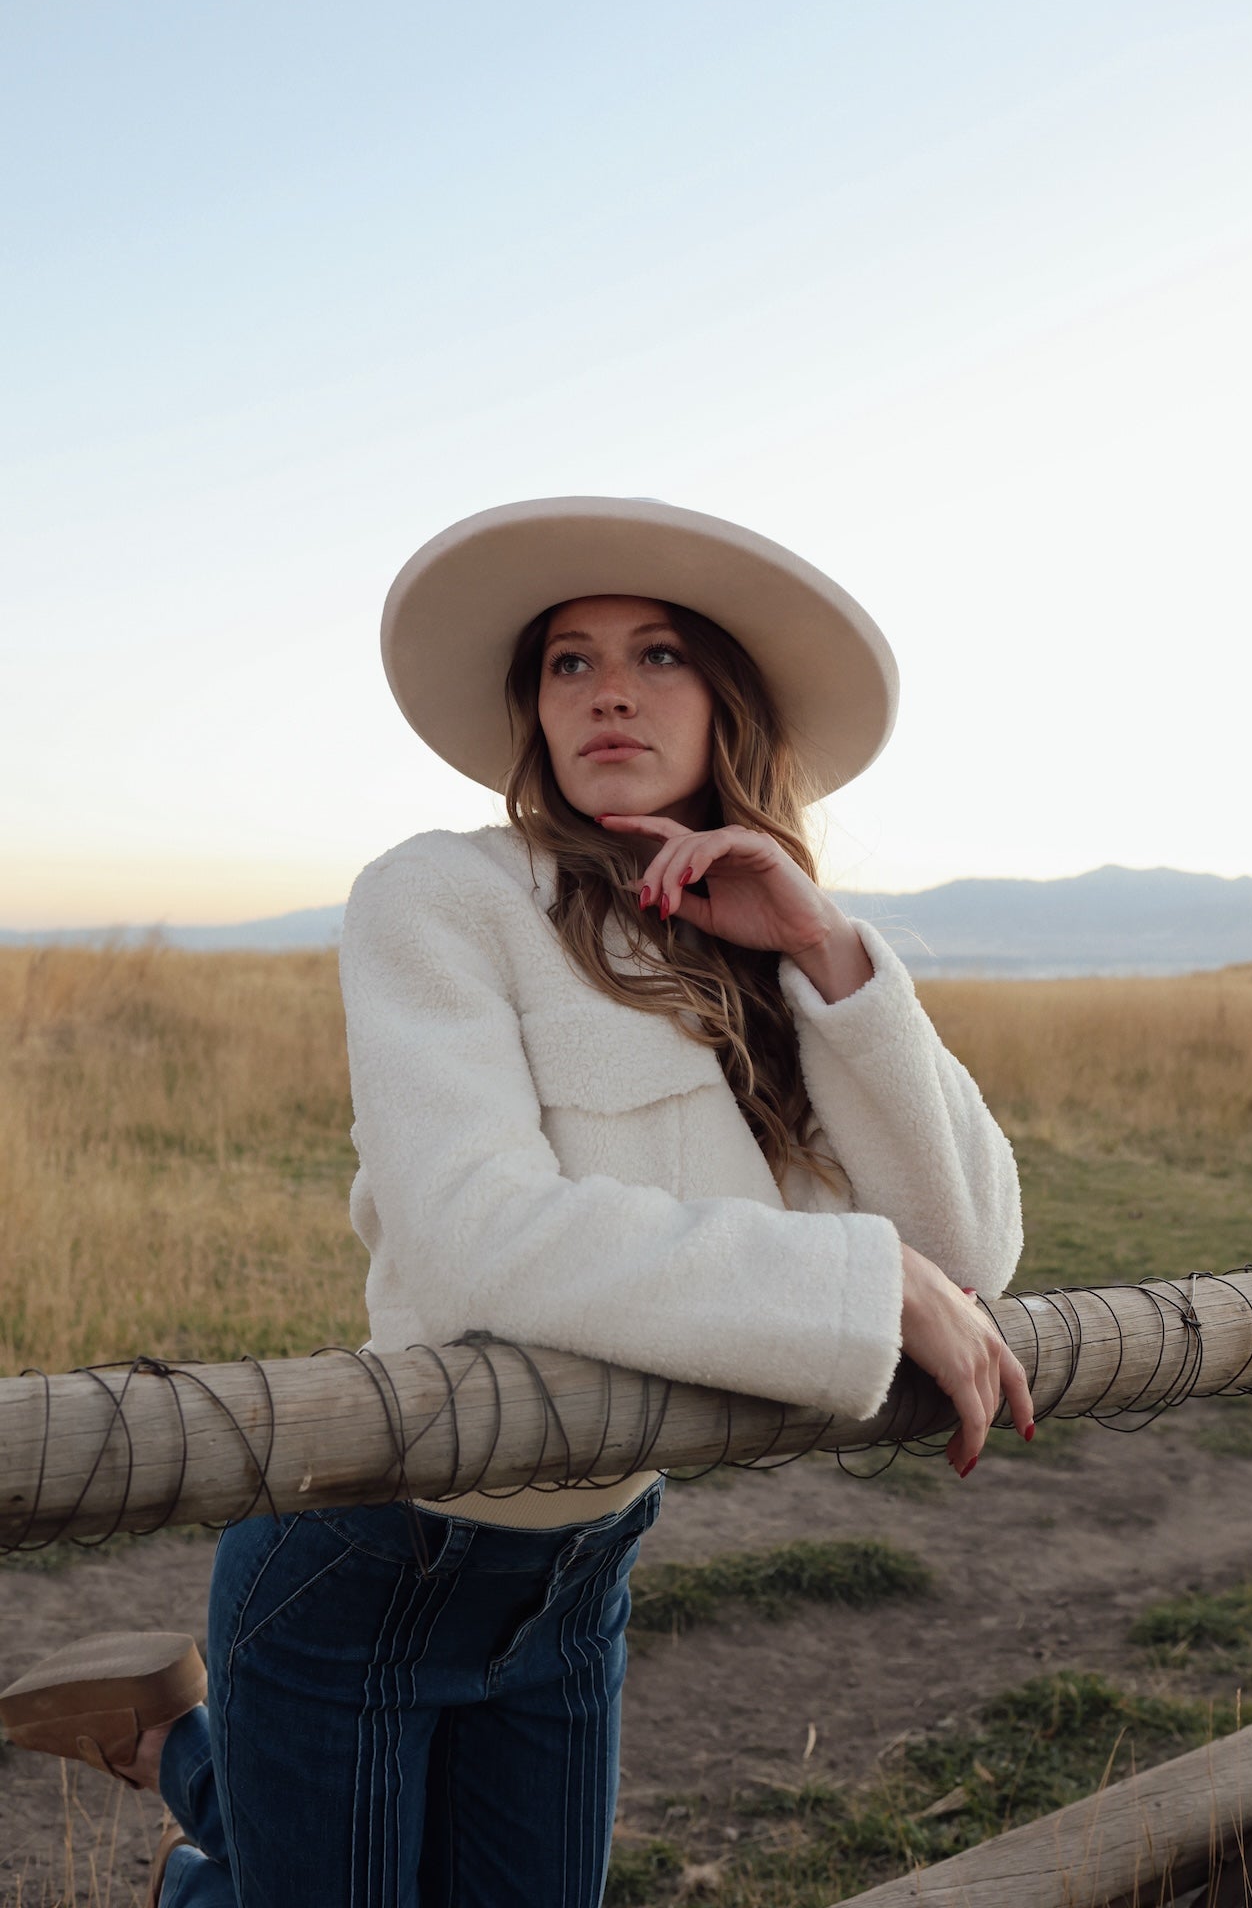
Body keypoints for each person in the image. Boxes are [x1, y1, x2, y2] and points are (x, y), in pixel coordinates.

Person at [0, 496, 1033, 1907]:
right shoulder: (440, 897)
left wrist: (824, 948)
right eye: (570, 661)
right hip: (370, 1554)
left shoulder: (765, 942)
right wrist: (872, 1288)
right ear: (535, 712)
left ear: (728, 702)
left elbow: (970, 1245)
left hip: (586, 1572)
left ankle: (177, 1749)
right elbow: (478, 1233)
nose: (608, 686)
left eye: (658, 652)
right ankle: (191, 1805)